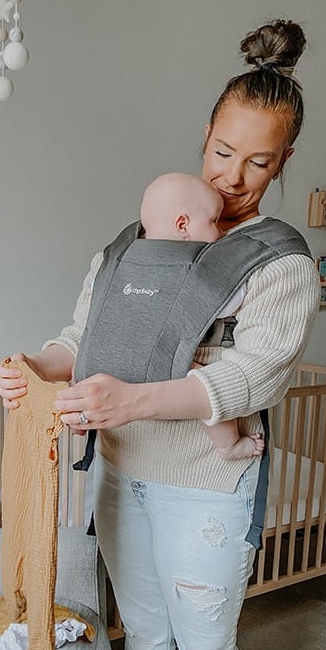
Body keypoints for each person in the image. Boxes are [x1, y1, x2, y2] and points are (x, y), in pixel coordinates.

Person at [0, 19, 320, 650]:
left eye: (258, 163)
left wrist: (133, 398)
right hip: (122, 476)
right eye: (223, 151)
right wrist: (31, 367)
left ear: (284, 161)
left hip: (206, 488)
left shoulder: (281, 263)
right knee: (141, 638)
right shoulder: (134, 243)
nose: (232, 178)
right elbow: (82, 339)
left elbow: (248, 381)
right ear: (205, 132)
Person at [139, 171, 264, 461]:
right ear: (183, 224)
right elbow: (223, 301)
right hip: (165, 352)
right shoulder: (190, 266)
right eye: (214, 222)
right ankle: (229, 444)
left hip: (129, 348)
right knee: (206, 386)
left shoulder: (133, 259)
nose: (220, 232)